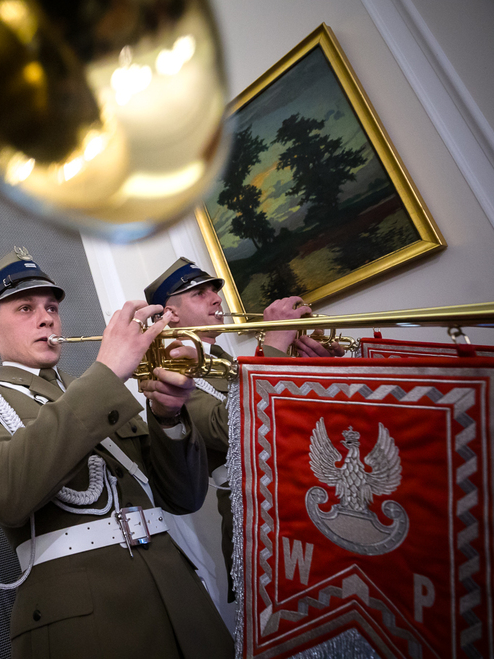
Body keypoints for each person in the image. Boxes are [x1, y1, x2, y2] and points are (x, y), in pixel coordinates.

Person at [0, 248, 234, 658]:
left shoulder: (94, 392)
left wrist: (169, 415)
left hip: (180, 599)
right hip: (89, 624)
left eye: (52, 308)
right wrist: (108, 374)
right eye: (25, 308)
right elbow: (2, 492)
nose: (47, 318)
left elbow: (183, 497)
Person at [144, 256, 344, 601]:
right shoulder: (169, 363)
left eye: (214, 291)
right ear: (170, 314)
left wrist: (316, 370)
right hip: (257, 519)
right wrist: (276, 344)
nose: (216, 299)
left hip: (300, 498)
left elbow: (289, 423)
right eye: (199, 294)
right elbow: (230, 429)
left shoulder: (223, 357)